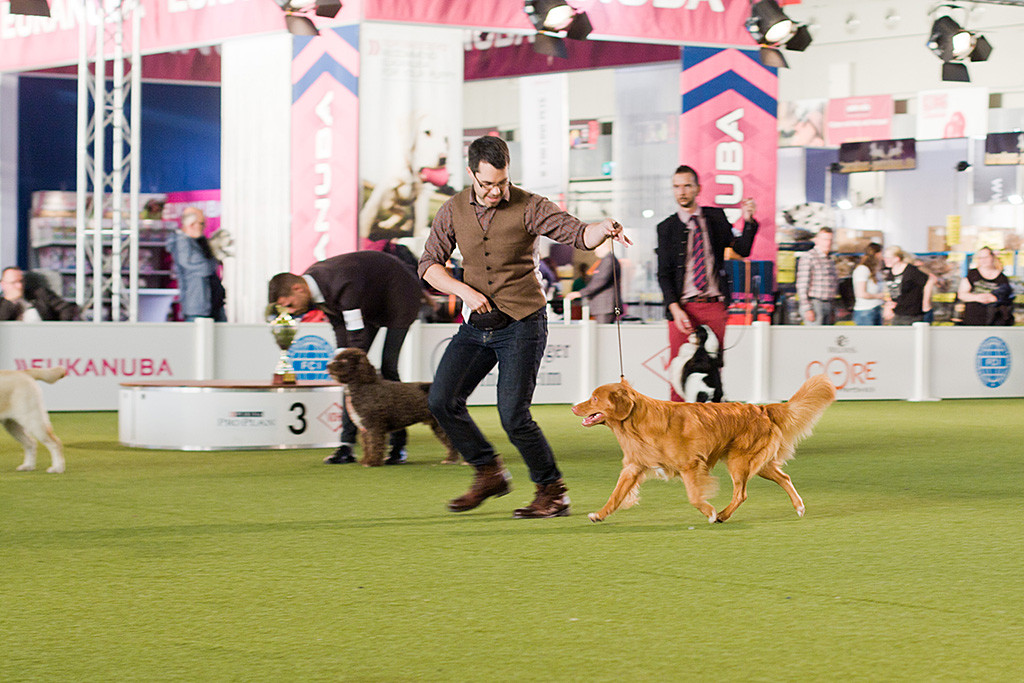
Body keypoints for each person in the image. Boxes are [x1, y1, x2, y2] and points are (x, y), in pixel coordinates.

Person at [419, 134, 630, 519]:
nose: (496, 191)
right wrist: (463, 291)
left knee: (513, 415)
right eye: (487, 184)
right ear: (471, 174)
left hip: (522, 322)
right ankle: (488, 472)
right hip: (476, 324)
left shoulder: (531, 206)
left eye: (502, 182)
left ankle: (553, 492)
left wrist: (602, 228)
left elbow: (577, 233)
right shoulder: (451, 210)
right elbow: (429, 264)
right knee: (441, 401)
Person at [269, 250, 423, 465]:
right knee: (349, 377)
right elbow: (340, 325)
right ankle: (346, 446)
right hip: (367, 304)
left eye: (289, 305)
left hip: (399, 294)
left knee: (389, 367)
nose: (290, 311)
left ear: (298, 288)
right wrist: (340, 358)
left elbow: (356, 335)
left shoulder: (342, 283)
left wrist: (345, 362)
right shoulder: (313, 288)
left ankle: (398, 446)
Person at [656, 164, 758, 402]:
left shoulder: (715, 217)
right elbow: (663, 274)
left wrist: (749, 221)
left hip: (714, 305)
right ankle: (678, 432)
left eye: (687, 186)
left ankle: (713, 427)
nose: (682, 191)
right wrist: (674, 307)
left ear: (698, 188)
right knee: (678, 369)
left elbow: (741, 250)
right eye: (677, 186)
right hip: (682, 308)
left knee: (713, 368)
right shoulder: (666, 228)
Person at [167, 207, 226, 322]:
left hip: (213, 303)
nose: (204, 227)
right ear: (191, 224)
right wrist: (213, 258)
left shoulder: (200, 241)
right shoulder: (182, 243)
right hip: (198, 306)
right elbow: (202, 267)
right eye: (202, 223)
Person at [565, 239, 621, 323]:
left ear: (603, 246)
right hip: (602, 307)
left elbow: (600, 281)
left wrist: (580, 293)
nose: (595, 250)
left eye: (596, 247)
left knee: (603, 334)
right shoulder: (605, 260)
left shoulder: (608, 260)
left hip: (605, 306)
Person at [957, 246, 1014, 326]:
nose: (983, 260)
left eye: (986, 257)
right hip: (973, 320)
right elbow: (961, 295)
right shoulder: (972, 275)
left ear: (992, 257)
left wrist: (995, 298)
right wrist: (977, 297)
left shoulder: (1002, 278)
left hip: (996, 321)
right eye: (980, 258)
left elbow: (1008, 298)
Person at [0, 266, 79, 321]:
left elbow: (65, 308)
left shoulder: (40, 294)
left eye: (21, 281)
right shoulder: (2, 303)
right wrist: (9, 302)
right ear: (3, 284)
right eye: (13, 282)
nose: (19, 286)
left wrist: (59, 328)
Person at [795, 227, 839, 325]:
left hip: (829, 303)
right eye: (825, 239)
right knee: (815, 337)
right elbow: (802, 285)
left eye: (830, 240)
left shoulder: (830, 260)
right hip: (815, 303)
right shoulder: (809, 257)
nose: (828, 242)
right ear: (817, 240)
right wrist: (807, 308)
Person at [882, 246, 934, 325]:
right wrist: (888, 306)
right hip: (898, 313)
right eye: (885, 257)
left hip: (912, 314)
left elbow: (930, 280)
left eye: (888, 258)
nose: (885, 260)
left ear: (897, 258)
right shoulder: (891, 272)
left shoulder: (911, 271)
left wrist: (926, 303)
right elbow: (892, 291)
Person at [851, 242, 885, 326]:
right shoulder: (862, 269)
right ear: (877, 254)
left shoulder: (875, 271)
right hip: (865, 311)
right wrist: (880, 296)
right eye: (881, 254)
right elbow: (861, 293)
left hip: (876, 309)